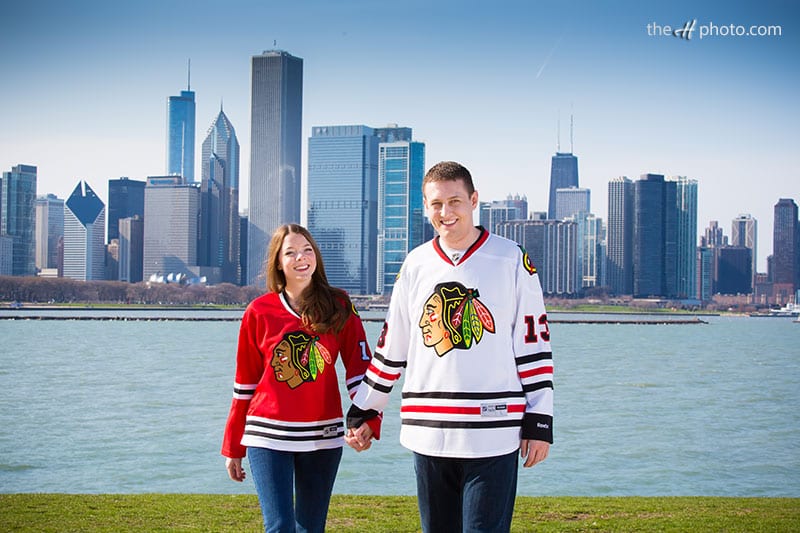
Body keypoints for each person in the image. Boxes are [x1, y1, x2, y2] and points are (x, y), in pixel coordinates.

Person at [345, 161, 553, 533]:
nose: (446, 212)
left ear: (474, 200)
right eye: (436, 204)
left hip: (493, 429)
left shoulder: (511, 259)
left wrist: (539, 420)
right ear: (426, 208)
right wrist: (366, 411)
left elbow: (533, 345)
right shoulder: (415, 263)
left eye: (455, 201)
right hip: (428, 430)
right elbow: (393, 345)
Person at [222, 223, 380, 533]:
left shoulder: (339, 305)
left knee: (311, 528)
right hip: (266, 435)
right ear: (278, 262)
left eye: (307, 250)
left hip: (323, 435)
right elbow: (244, 386)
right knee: (280, 526)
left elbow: (360, 368)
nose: (301, 258)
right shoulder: (259, 311)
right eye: (291, 252)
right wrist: (232, 447)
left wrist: (368, 421)